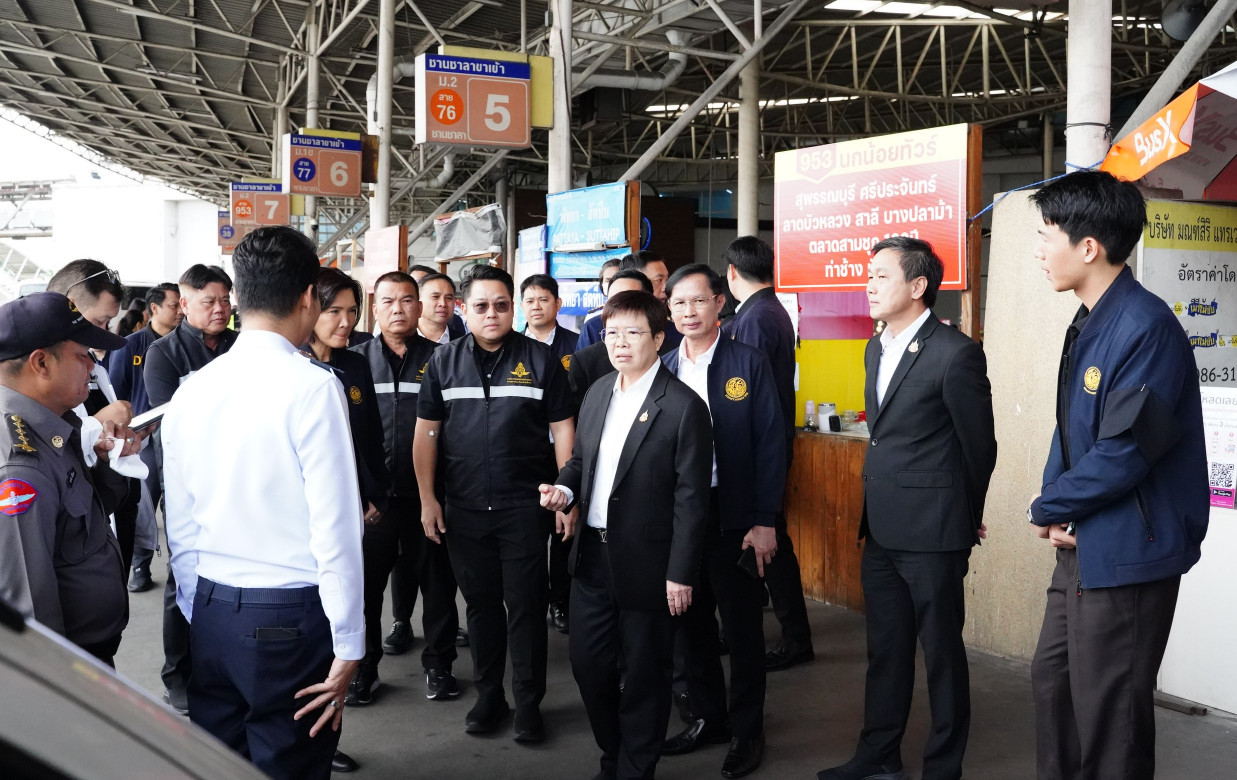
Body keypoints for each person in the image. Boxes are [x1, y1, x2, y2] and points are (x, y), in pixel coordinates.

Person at [162, 226, 365, 780]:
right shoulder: (313, 387)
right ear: (307, 298)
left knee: (219, 762)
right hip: (290, 617)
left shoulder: (193, 388)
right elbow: (335, 526)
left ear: (241, 295)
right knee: (289, 763)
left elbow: (179, 521)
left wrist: (198, 608)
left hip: (211, 608)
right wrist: (349, 639)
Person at [1027, 171, 1207, 780]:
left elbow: (1125, 451)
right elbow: (1069, 429)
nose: (1038, 251)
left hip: (1129, 551)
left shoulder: (1145, 327)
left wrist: (1048, 507)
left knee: (1110, 718)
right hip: (1084, 544)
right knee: (1054, 683)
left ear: (1088, 247)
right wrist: (1054, 501)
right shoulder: (1090, 320)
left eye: (1046, 236)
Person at [818, 237, 997, 780]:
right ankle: (878, 755)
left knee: (941, 656)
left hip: (935, 533)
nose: (869, 285)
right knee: (886, 650)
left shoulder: (955, 353)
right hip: (882, 528)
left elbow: (980, 447)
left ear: (918, 286)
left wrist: (965, 516)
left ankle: (943, 767)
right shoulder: (876, 347)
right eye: (868, 275)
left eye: (881, 276)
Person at [540, 289, 713, 780]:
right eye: (612, 332)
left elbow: (692, 500)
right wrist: (564, 490)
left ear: (658, 339)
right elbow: (580, 461)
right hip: (592, 559)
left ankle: (634, 769)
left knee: (644, 675)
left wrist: (681, 573)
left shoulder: (683, 407)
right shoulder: (598, 392)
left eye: (633, 332)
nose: (619, 342)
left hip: (650, 566)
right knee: (589, 666)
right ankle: (613, 754)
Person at [414, 264, 575, 742]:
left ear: (513, 309)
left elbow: (564, 429)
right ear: (463, 309)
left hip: (525, 508)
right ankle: (489, 697)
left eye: (501, 305)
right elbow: (426, 434)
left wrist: (566, 495)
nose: (492, 314)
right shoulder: (443, 363)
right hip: (463, 509)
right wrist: (428, 499)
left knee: (526, 608)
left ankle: (528, 704)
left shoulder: (541, 360)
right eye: (481, 306)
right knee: (481, 608)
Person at [659, 264, 787, 779]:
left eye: (698, 301)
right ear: (668, 310)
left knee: (742, 628)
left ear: (719, 304)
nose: (689, 311)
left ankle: (747, 729)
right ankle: (709, 717)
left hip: (735, 517)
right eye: (679, 303)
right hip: (682, 518)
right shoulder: (663, 367)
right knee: (690, 625)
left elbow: (771, 443)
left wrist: (764, 520)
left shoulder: (746, 362)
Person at [0, 292, 138, 666]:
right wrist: (65, 684)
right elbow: (31, 615)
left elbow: (82, 521)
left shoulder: (54, 427)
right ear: (42, 363)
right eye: (82, 356)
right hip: (70, 667)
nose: (93, 367)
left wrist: (108, 463)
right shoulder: (20, 466)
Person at [351, 271, 462, 704]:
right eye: (388, 301)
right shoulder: (355, 361)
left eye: (406, 300)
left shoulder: (444, 359)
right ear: (374, 308)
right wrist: (361, 493)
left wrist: (441, 494)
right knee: (365, 591)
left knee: (438, 586)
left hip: (428, 499)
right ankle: (364, 670)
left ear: (419, 307)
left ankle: (439, 665)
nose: (398, 309)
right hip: (373, 502)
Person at [303, 267, 391, 775]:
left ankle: (327, 734)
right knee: (311, 628)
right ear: (309, 308)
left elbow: (371, 438)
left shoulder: (355, 364)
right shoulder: (294, 367)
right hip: (308, 519)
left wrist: (373, 493)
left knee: (351, 606)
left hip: (356, 509)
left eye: (352, 311)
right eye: (333, 310)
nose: (345, 321)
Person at [143, 263, 237, 716]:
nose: (220, 309)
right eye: (209, 301)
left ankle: (225, 671)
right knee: (184, 573)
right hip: (188, 482)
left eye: (225, 300)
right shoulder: (164, 354)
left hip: (238, 477)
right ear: (184, 304)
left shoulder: (241, 347)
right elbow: (172, 421)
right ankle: (177, 675)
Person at [721, 236, 815, 671]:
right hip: (764, 445)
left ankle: (796, 639)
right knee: (766, 541)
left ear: (731, 272)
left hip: (760, 449)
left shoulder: (756, 317)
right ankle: (771, 632)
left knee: (771, 542)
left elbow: (748, 394)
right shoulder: (765, 310)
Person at [46, 261, 149, 575]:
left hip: (112, 507)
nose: (102, 333)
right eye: (99, 322)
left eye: (107, 324)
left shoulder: (93, 364)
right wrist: (99, 421)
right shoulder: (35, 375)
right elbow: (44, 445)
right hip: (76, 538)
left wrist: (126, 434)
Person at [110, 282, 183, 594]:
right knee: (145, 501)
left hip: (180, 436)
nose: (180, 311)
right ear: (155, 308)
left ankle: (179, 567)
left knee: (178, 503)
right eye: (174, 305)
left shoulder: (184, 344)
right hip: (145, 438)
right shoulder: (132, 345)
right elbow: (116, 392)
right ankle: (139, 566)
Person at [520, 273, 580, 635]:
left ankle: (561, 599)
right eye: (529, 300)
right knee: (529, 530)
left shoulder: (576, 344)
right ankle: (530, 601)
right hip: (527, 454)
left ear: (557, 304)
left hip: (564, 449)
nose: (536, 306)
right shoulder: (513, 346)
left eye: (544, 299)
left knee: (563, 528)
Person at [577, 252, 679, 350]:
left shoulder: (676, 331)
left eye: (667, 280)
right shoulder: (593, 328)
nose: (665, 288)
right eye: (659, 280)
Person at [416, 271, 467, 343]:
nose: (443, 304)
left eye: (449, 298)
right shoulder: (402, 340)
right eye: (435, 297)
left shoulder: (463, 343)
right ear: (418, 301)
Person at [582, 258, 622, 324]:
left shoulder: (635, 313)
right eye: (608, 280)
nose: (612, 284)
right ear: (602, 283)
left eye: (616, 279)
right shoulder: (592, 317)